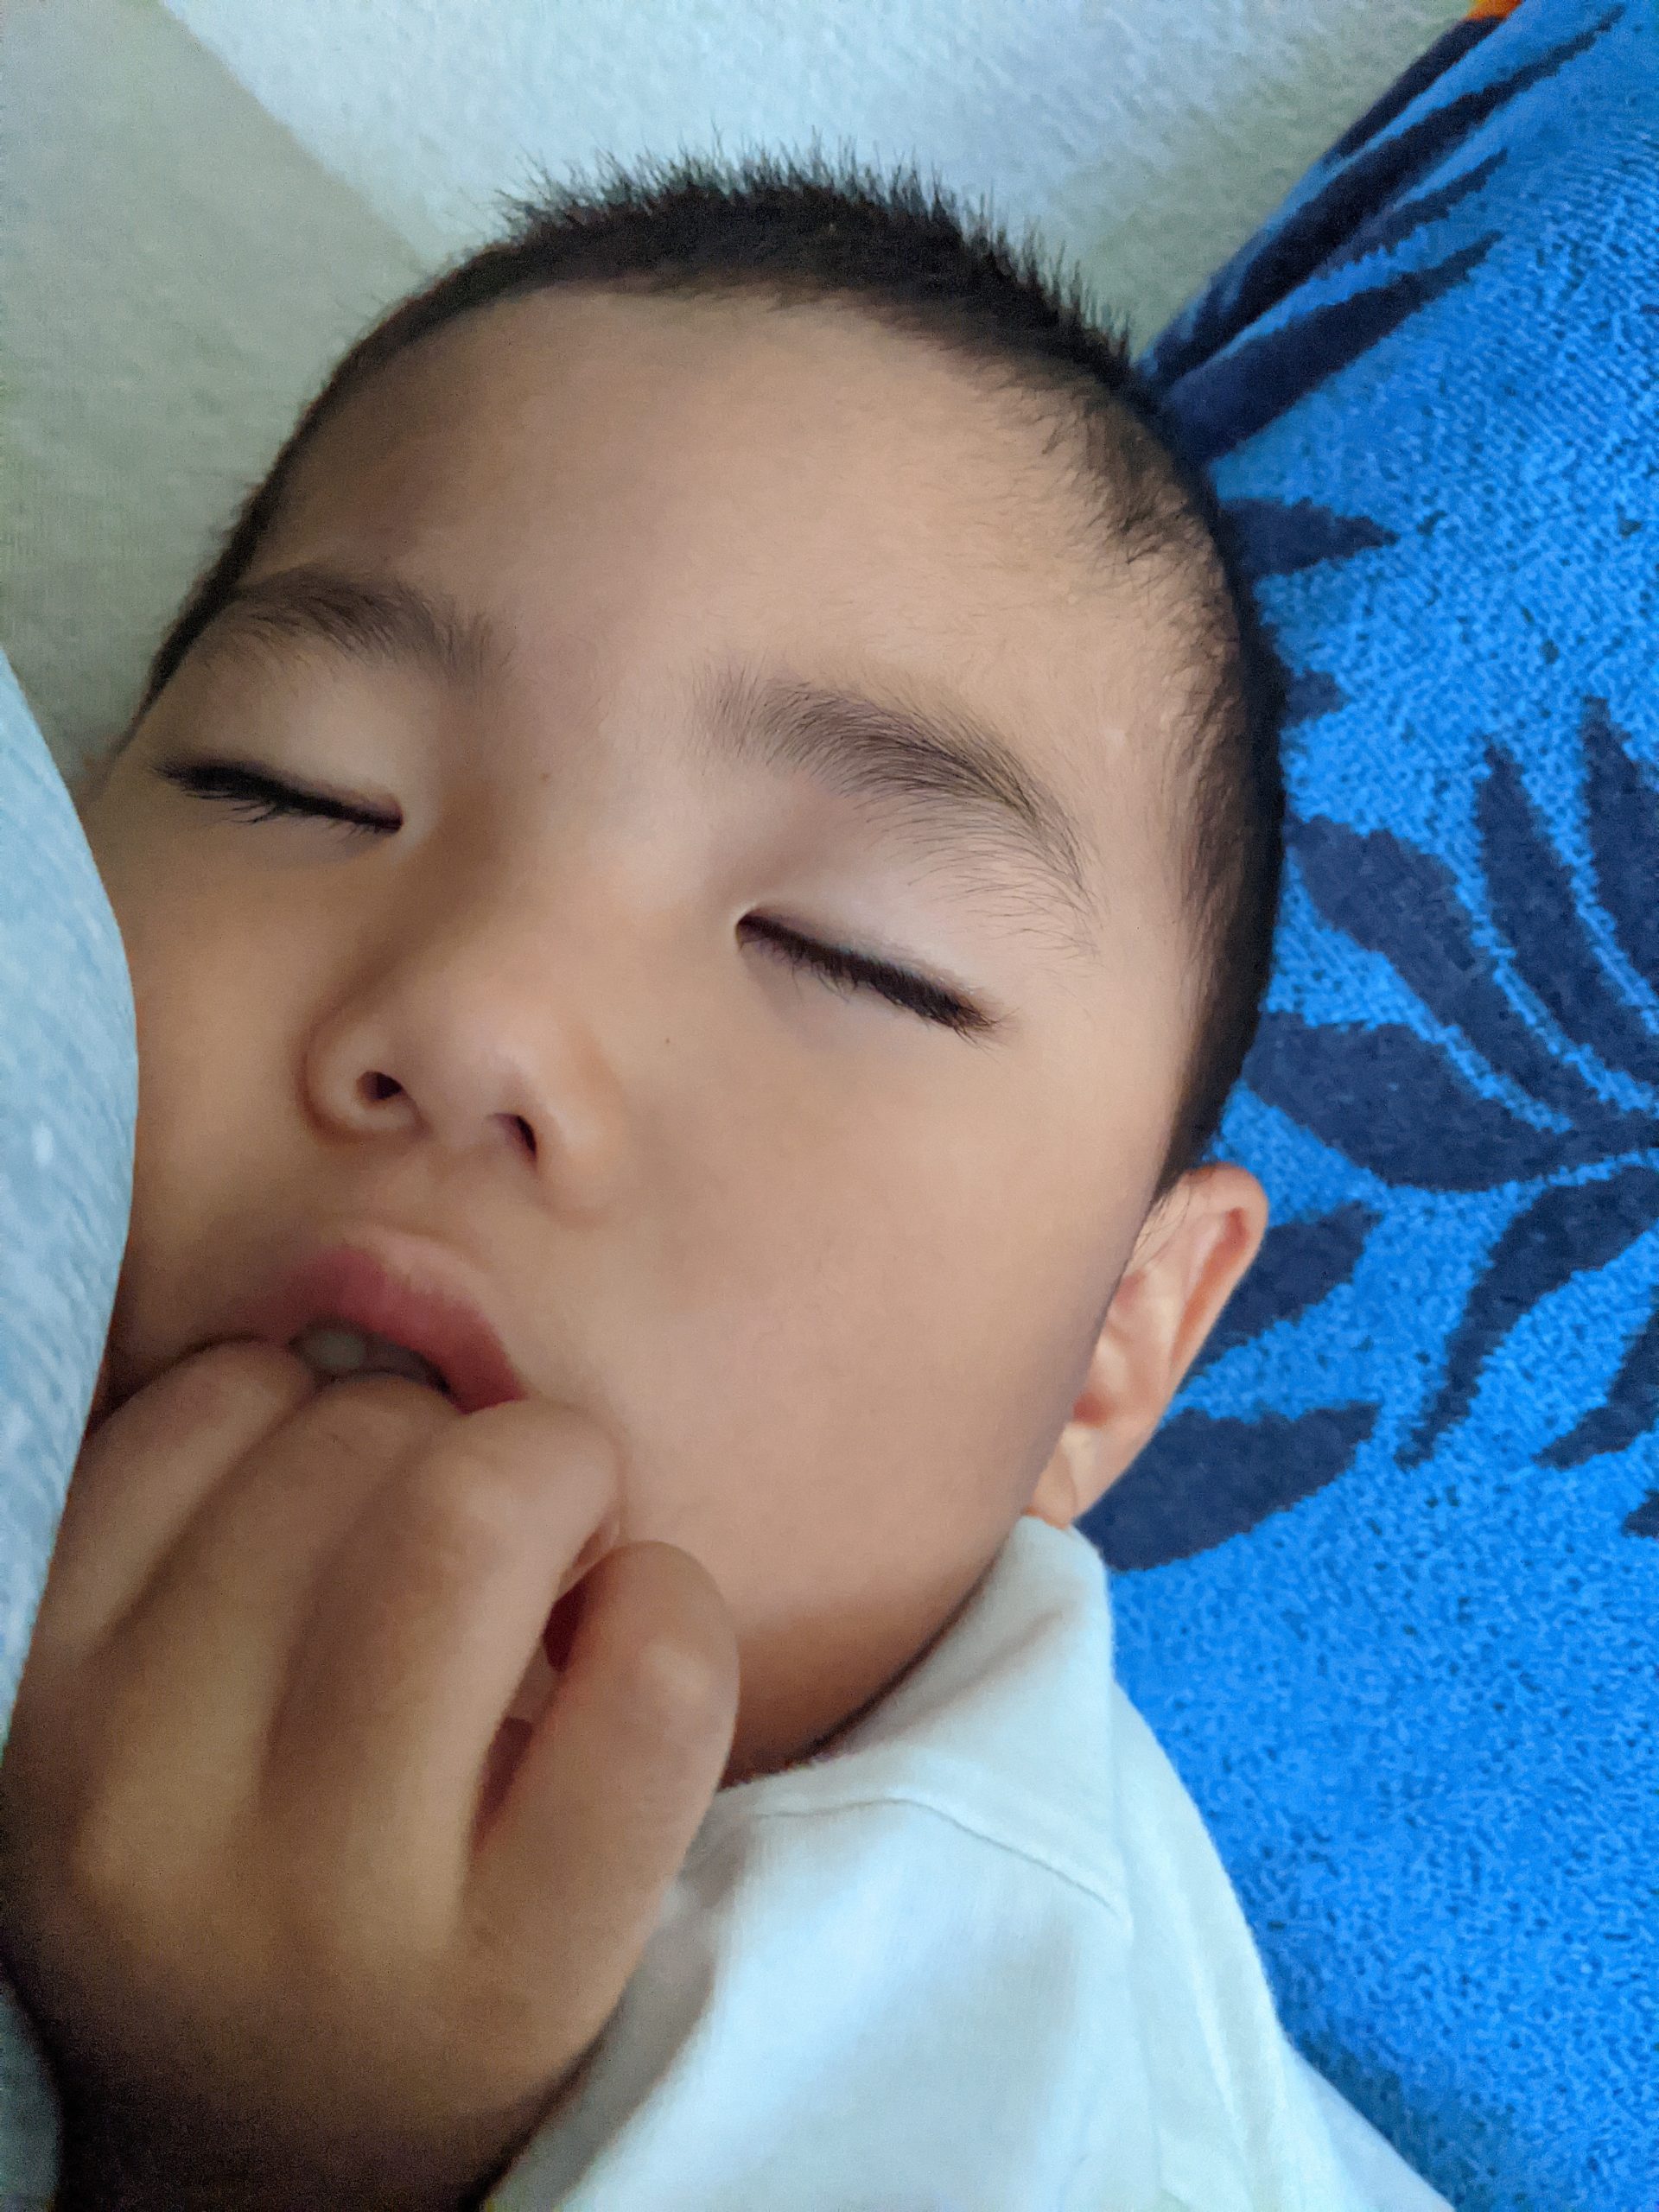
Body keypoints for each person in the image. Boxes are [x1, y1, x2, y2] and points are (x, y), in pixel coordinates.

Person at [0, 152, 1452, 2209]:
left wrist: (270, 2149)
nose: (483, 1013)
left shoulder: (977, 2042)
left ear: (1120, 1340)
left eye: (850, 956)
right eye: (299, 785)